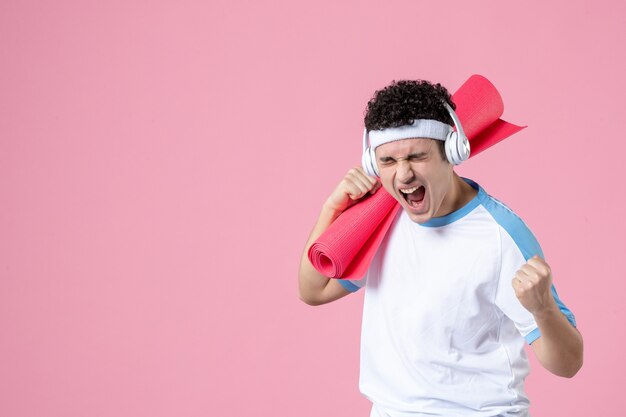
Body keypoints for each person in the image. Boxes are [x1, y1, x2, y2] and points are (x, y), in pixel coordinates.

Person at [298, 79, 583, 417]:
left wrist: (543, 310)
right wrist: (331, 209)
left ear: (452, 152)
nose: (403, 175)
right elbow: (314, 290)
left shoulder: (501, 235)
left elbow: (568, 364)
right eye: (387, 161)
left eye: (417, 157)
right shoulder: (380, 216)